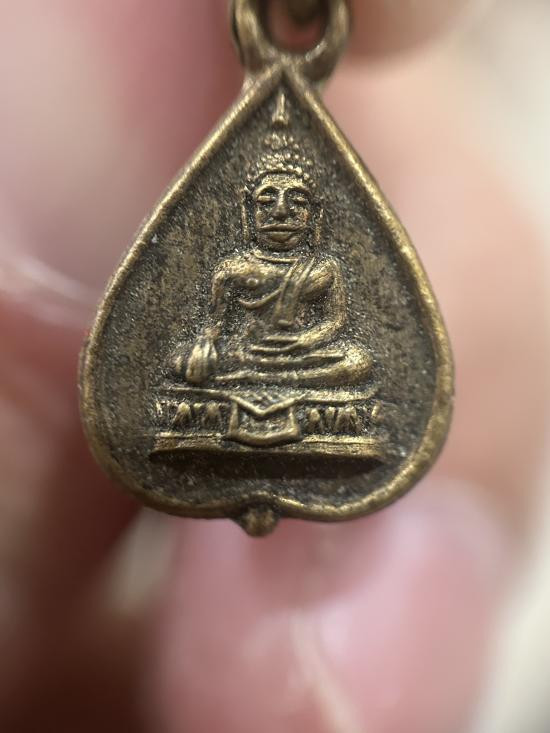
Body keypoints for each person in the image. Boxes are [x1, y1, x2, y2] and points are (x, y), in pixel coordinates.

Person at [0, 1, 548, 731]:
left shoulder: (320, 270)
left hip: (304, 370)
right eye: (269, 200)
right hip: (241, 373)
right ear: (249, 207)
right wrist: (206, 352)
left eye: (295, 200)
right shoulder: (234, 269)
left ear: (314, 213)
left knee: (351, 359)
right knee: (197, 365)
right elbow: (221, 335)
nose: (282, 211)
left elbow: (327, 341)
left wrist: (284, 357)